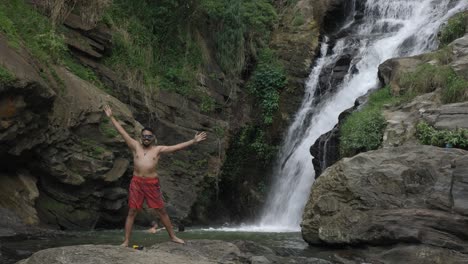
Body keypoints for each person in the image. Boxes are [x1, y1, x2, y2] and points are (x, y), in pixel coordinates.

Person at [103, 104, 207, 245]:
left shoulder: (158, 149)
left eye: (149, 136)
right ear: (141, 137)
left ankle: (172, 237)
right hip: (137, 182)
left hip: (152, 183)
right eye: (144, 136)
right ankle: (126, 240)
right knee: (132, 211)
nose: (146, 138)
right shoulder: (135, 146)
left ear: (153, 138)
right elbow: (122, 132)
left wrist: (193, 141)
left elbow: (175, 148)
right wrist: (111, 117)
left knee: (161, 210)